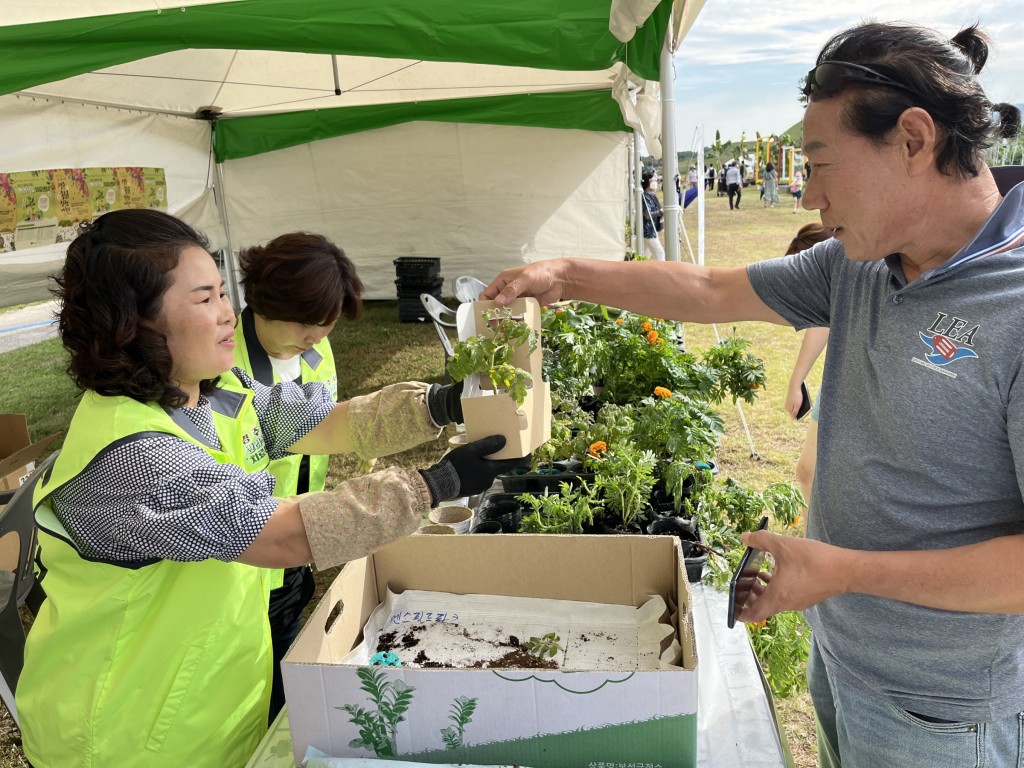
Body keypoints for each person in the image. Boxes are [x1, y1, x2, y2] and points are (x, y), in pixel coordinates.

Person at [483, 21, 1024, 767]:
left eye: (821, 163)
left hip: (943, 710)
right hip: (841, 659)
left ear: (913, 138)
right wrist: (569, 278)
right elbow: (710, 288)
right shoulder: (859, 265)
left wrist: (845, 570)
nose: (809, 193)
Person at [17, 209, 525, 768]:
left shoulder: (213, 395)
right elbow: (286, 537)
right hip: (124, 735)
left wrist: (441, 404)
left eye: (221, 293)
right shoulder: (134, 456)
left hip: (206, 704)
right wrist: (434, 484)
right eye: (204, 299)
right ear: (135, 322)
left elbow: (328, 422)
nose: (228, 314)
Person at [231, 231, 362, 723]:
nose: (316, 339)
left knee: (285, 652)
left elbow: (323, 426)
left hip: (297, 537)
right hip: (249, 547)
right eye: (306, 324)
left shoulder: (316, 350)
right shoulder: (224, 367)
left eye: (326, 327)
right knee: (249, 674)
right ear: (263, 302)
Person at [782, 223, 834, 502]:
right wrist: (796, 379)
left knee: (809, 471)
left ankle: (810, 542)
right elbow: (822, 320)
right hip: (839, 381)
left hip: (854, 386)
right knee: (808, 471)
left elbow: (821, 321)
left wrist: (796, 380)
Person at [640, 169, 665, 261]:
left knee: (644, 256)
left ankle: (635, 271)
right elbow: (647, 214)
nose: (654, 182)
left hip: (652, 230)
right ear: (646, 182)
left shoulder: (652, 195)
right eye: (652, 181)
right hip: (648, 231)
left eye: (655, 180)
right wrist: (661, 211)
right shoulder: (645, 197)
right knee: (660, 254)